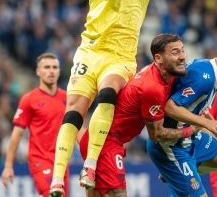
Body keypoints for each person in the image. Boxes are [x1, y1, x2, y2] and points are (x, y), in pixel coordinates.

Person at [49, 0, 190, 197]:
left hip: (120, 56)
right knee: (74, 111)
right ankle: (57, 178)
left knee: (107, 94)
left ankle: (89, 165)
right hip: (89, 52)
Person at [78, 33, 203, 197]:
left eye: (182, 51)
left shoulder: (164, 74)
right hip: (105, 142)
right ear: (158, 58)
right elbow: (157, 134)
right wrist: (191, 130)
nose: (182, 57)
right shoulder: (153, 88)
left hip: (100, 139)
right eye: (175, 52)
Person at [147, 36, 217, 197]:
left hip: (189, 137)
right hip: (170, 145)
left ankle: (175, 175)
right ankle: (177, 172)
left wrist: (213, 124)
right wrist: (208, 125)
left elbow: (196, 106)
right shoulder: (204, 78)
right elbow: (170, 107)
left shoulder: (211, 73)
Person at [1, 53, 69, 197]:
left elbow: (77, 129)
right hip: (40, 160)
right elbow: (17, 134)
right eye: (47, 67)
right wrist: (8, 165)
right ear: (38, 71)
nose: (51, 71)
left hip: (62, 162)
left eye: (55, 67)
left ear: (59, 71)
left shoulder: (67, 99)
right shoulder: (29, 100)